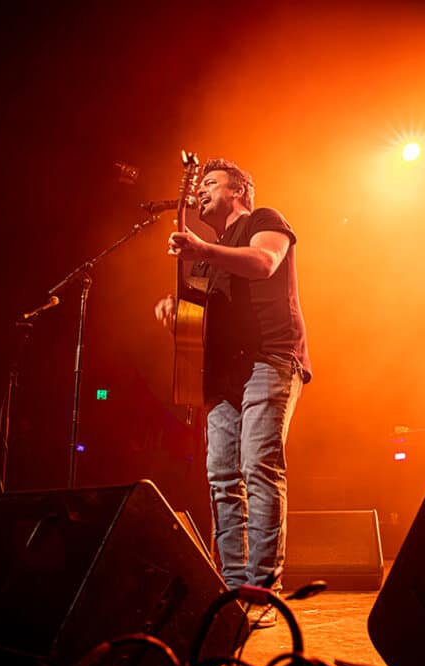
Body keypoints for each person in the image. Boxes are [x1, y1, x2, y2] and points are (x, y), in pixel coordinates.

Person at [154, 158, 311, 625]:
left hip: (270, 357)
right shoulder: (211, 252)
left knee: (258, 466)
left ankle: (263, 591)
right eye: (198, 185)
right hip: (221, 375)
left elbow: (264, 263)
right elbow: (201, 318)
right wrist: (175, 313)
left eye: (211, 183)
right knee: (222, 475)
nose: (200, 191)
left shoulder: (264, 221)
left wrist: (202, 249)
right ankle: (232, 587)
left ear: (240, 190)